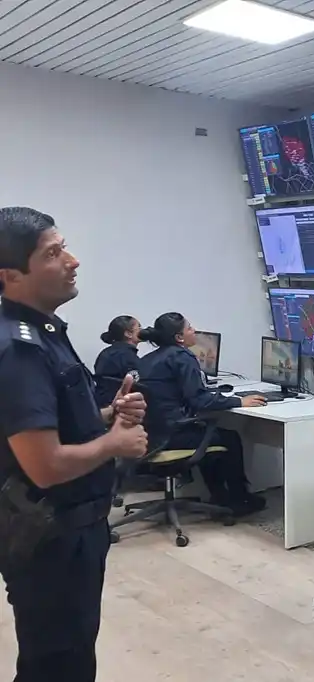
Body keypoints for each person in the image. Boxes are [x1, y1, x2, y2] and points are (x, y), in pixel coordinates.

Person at [0, 206, 149, 682]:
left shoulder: (43, 331)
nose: (73, 260)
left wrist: (107, 415)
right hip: (51, 539)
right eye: (54, 252)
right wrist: (115, 442)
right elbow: (44, 465)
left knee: (70, 654)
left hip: (70, 532)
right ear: (10, 275)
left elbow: (51, 425)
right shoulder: (19, 349)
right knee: (57, 665)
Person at [137, 312, 267, 516]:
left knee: (212, 436)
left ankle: (219, 496)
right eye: (189, 328)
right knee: (229, 438)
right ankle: (239, 499)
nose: (194, 330)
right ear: (179, 338)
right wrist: (239, 401)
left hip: (151, 435)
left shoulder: (148, 359)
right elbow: (199, 400)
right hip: (171, 435)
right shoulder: (182, 357)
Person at [94, 315, 141, 408]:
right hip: (119, 406)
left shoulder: (105, 353)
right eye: (139, 327)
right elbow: (136, 383)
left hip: (100, 405)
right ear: (128, 334)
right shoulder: (128, 356)